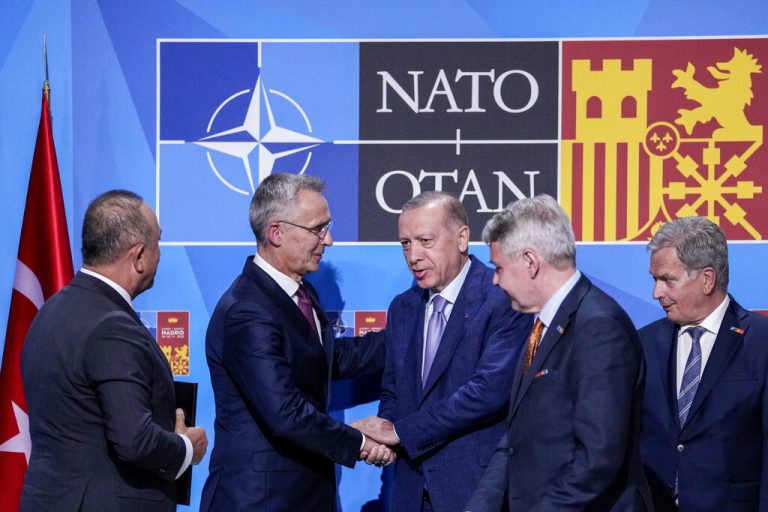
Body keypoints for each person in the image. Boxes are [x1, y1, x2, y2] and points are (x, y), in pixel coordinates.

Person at [200, 173, 390, 512]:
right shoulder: (247, 311)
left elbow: (323, 359)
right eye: (318, 229)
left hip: (303, 495)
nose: (328, 240)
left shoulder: (300, 292)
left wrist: (409, 339)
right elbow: (285, 413)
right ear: (276, 232)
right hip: (260, 501)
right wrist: (359, 441)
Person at [20, 190, 207, 512]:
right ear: (139, 256)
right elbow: (135, 440)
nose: (160, 254)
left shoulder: (49, 310)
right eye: (158, 243)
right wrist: (187, 448)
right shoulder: (113, 327)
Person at [466, 194, 652, 511]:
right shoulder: (542, 325)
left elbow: (597, 458)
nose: (495, 281)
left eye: (499, 268)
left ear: (530, 262)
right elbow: (516, 439)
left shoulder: (598, 328)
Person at [352, 191, 532, 512]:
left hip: (475, 490)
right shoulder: (402, 308)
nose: (413, 256)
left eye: (425, 241)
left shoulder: (502, 298)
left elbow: (487, 393)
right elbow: (393, 392)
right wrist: (383, 439)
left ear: (462, 238)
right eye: (405, 244)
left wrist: (399, 432)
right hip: (410, 492)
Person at [640, 216, 768, 511]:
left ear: (707, 279)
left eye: (667, 280)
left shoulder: (761, 343)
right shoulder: (643, 344)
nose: (656, 293)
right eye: (654, 279)